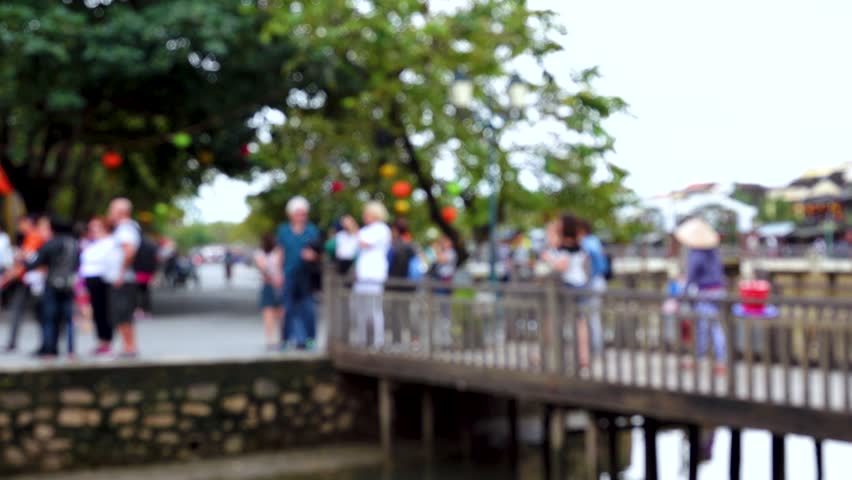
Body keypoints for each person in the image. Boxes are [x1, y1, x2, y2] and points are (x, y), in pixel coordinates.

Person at [676, 217, 726, 374]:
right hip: (718, 290)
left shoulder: (696, 253)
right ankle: (715, 360)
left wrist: (682, 294)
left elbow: (691, 278)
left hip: (705, 293)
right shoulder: (712, 252)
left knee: (706, 327)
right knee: (714, 326)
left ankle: (714, 361)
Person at [26, 217, 79, 358]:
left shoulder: (51, 244)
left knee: (49, 317)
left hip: (52, 284)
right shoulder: (74, 243)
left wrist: (24, 260)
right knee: (68, 319)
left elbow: (34, 262)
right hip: (68, 284)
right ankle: (71, 350)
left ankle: (49, 350)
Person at [276, 196, 321, 350]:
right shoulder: (283, 230)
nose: (301, 216)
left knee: (308, 308)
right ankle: (286, 339)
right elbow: (280, 253)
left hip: (306, 275)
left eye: (303, 213)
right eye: (298, 213)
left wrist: (313, 255)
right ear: (291, 214)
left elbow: (318, 252)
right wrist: (278, 274)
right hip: (289, 274)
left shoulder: (311, 230)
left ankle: (309, 339)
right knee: (288, 308)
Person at [2, 214, 46, 352]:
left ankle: (47, 342)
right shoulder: (29, 238)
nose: (18, 228)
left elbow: (26, 260)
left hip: (32, 280)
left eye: (20, 224)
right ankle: (13, 342)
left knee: (38, 312)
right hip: (25, 279)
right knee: (21, 310)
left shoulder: (34, 236)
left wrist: (6, 278)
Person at [352, 202, 392, 348]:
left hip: (375, 275)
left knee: (375, 309)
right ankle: (362, 339)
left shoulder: (382, 229)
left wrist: (352, 228)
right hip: (362, 275)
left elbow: (365, 243)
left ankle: (378, 341)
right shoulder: (364, 230)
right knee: (361, 309)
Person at [105, 198, 141, 357]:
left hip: (123, 279)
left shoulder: (125, 229)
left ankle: (129, 346)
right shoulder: (124, 228)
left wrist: (120, 273)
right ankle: (128, 346)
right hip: (121, 278)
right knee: (121, 313)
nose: (109, 213)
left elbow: (129, 252)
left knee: (122, 312)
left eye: (111, 210)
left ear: (120, 212)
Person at [80, 217, 115, 355]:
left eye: (96, 227)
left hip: (103, 279)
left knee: (104, 311)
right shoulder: (91, 243)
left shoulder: (110, 242)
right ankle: (101, 340)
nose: (93, 230)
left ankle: (107, 340)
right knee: (96, 312)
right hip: (90, 279)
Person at [577, 218, 608, 355]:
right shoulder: (594, 241)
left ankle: (595, 349)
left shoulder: (587, 242)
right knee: (592, 317)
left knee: (591, 317)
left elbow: (588, 259)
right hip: (596, 281)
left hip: (592, 282)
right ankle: (594, 348)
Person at [386, 218, 417, 345]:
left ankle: (396, 340)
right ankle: (414, 339)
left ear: (395, 230)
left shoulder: (393, 246)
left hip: (394, 284)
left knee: (394, 313)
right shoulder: (412, 245)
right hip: (409, 285)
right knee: (409, 313)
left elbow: (388, 265)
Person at [255, 233, 283, 350]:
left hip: (270, 284)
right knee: (278, 313)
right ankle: (279, 338)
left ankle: (271, 339)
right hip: (277, 284)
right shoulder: (278, 251)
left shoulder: (260, 253)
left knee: (270, 313)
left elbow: (263, 268)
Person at [133, 230, 159, 320]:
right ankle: (147, 310)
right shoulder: (151, 244)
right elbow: (156, 258)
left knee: (136, 292)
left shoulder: (135, 244)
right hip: (148, 271)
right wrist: (154, 271)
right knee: (145, 292)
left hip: (137, 271)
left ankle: (138, 310)